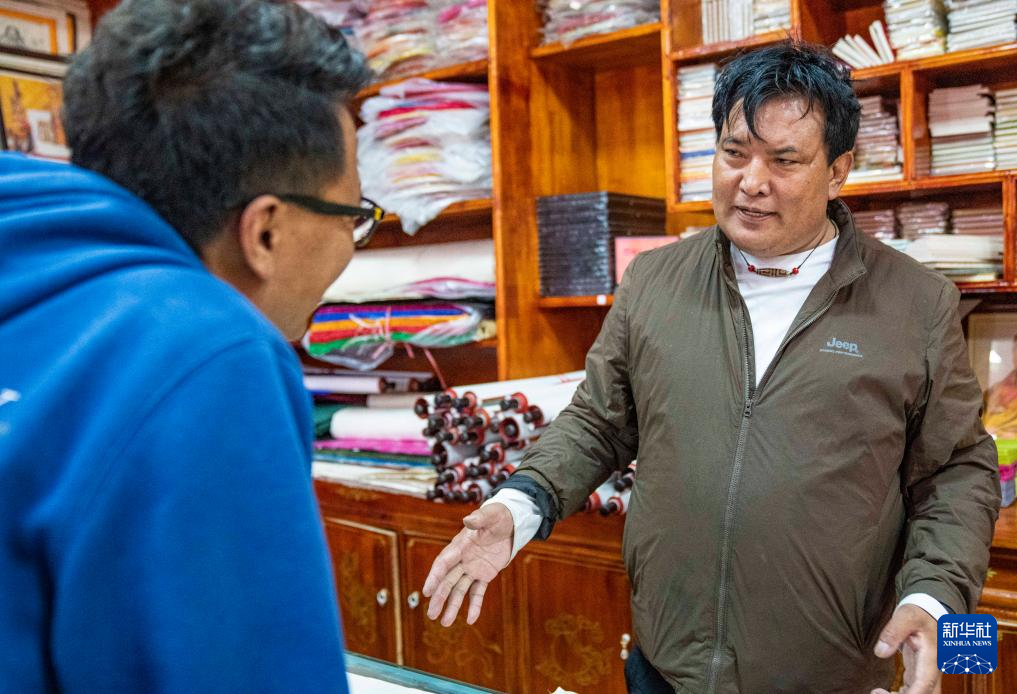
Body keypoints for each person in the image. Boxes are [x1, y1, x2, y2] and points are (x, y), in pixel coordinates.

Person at [423, 41, 1001, 694]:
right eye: (734, 153)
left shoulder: (915, 303)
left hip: (827, 673)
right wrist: (520, 503)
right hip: (665, 664)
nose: (751, 182)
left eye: (784, 160)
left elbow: (956, 470)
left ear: (838, 170)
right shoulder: (654, 280)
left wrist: (933, 600)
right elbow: (598, 421)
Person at [0, 0, 379, 691]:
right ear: (264, 232)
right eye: (353, 215)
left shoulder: (28, 254)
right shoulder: (207, 352)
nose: (352, 243)